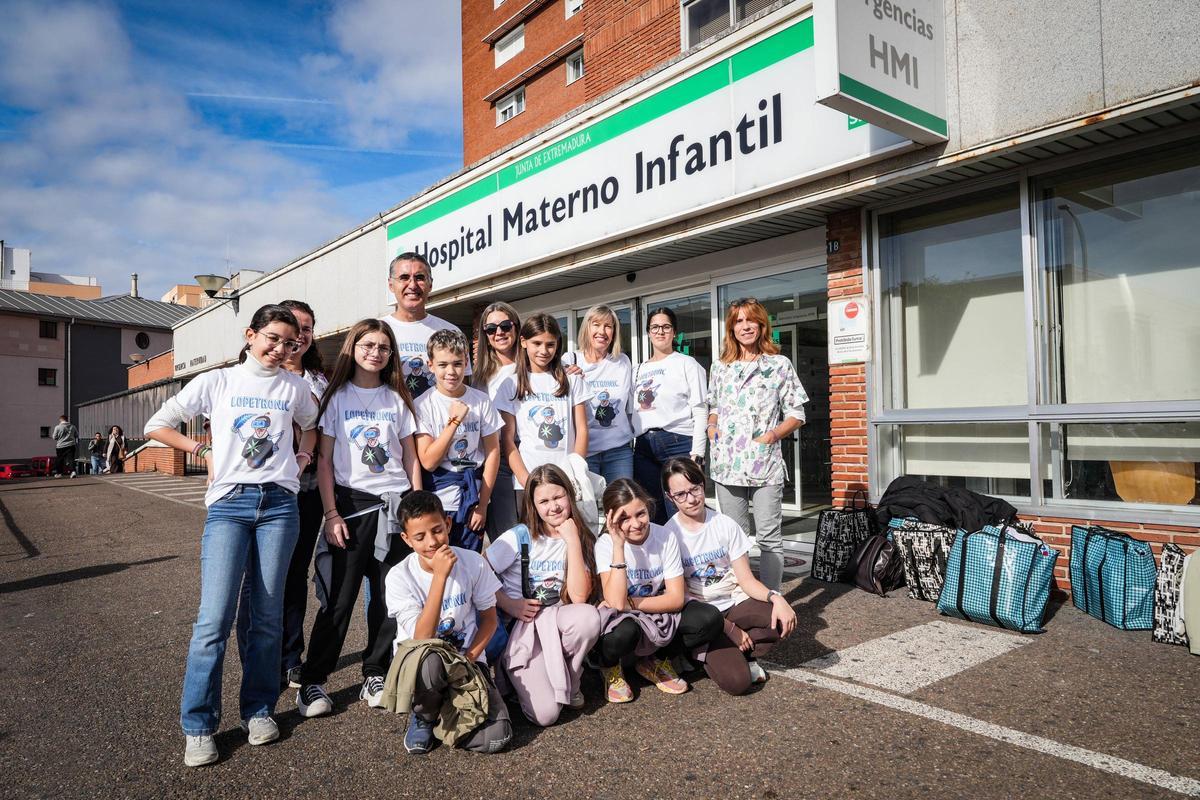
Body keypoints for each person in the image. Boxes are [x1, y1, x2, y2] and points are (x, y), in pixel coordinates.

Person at [143, 304, 318, 767]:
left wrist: (301, 459)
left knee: (266, 616)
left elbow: (313, 426)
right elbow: (156, 425)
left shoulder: (294, 386)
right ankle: (199, 725)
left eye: (290, 342)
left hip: (280, 507)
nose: (280, 348)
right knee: (214, 620)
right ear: (250, 334)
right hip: (231, 506)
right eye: (273, 338)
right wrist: (201, 447)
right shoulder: (217, 381)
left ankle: (259, 711)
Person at [296, 319, 420, 718]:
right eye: (369, 345)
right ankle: (313, 681)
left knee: (388, 597)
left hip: (395, 507)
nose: (376, 352)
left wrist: (414, 507)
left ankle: (375, 670)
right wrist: (331, 514)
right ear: (354, 348)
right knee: (338, 599)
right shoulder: (336, 399)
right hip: (351, 507)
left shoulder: (397, 400)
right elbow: (326, 462)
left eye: (384, 347)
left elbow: (411, 457)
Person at [235, 299, 327, 690]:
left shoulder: (320, 381)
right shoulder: (252, 377)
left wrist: (307, 459)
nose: (300, 336)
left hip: (305, 491)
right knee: (258, 578)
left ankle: (290, 656)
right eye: (295, 329)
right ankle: (256, 656)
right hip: (259, 489)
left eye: (307, 329)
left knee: (294, 574)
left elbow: (322, 431)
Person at [385, 491, 511, 755]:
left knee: (499, 737)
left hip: (467, 661)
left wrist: (472, 658)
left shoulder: (473, 562)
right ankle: (426, 714)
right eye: (420, 537)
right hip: (422, 664)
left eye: (437, 530)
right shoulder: (399, 576)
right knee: (430, 660)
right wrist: (440, 577)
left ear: (448, 524)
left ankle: (446, 717)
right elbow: (421, 638)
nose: (432, 542)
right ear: (407, 540)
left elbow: (489, 621)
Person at [661, 457, 796, 695]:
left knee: (777, 620)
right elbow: (681, 597)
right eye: (680, 494)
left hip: (732, 603)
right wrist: (729, 630)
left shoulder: (724, 524)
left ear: (703, 485)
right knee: (739, 683)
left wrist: (777, 598)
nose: (691, 499)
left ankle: (735, 652)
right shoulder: (669, 535)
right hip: (700, 615)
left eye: (695, 489)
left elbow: (746, 580)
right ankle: (702, 652)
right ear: (670, 498)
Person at [589, 478, 724, 703]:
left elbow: (676, 598)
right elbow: (614, 603)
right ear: (611, 519)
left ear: (648, 507)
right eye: (624, 518)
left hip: (654, 610)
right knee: (624, 633)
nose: (635, 524)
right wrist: (618, 546)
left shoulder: (665, 536)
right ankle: (609, 667)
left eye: (640, 514)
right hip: (625, 620)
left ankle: (654, 660)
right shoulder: (605, 544)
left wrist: (631, 603)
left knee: (709, 619)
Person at [486, 464, 601, 725]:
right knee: (546, 716)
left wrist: (572, 541)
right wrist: (508, 603)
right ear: (533, 505)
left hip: (558, 618)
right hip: (523, 627)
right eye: (544, 501)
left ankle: (571, 679)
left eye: (558, 497)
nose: (554, 507)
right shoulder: (520, 536)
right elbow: (480, 571)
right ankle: (515, 672)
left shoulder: (578, 536)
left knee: (588, 618)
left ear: (569, 496)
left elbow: (580, 597)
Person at [707, 298, 808, 591]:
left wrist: (772, 436)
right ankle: (742, 598)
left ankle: (772, 599)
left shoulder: (778, 365)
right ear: (731, 328)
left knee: (768, 537)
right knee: (734, 538)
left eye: (750, 320)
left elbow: (797, 413)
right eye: (738, 321)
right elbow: (714, 404)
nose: (745, 326)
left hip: (764, 463)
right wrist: (712, 426)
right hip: (727, 463)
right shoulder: (720, 366)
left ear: (762, 325)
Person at [415, 329, 503, 552]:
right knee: (438, 565)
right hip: (438, 499)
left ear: (466, 362)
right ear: (431, 365)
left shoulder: (481, 401)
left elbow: (493, 453)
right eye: (443, 365)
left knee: (469, 563)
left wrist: (482, 505)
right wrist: (453, 422)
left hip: (472, 496)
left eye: (457, 363)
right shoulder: (423, 405)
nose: (451, 372)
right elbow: (428, 461)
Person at [495, 314, 590, 499]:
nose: (544, 350)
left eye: (550, 344)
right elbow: (507, 440)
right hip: (528, 482)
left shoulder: (572, 380)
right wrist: (526, 480)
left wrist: (576, 473)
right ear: (523, 342)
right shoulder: (510, 384)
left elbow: (582, 430)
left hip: (567, 480)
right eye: (537, 343)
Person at [631, 307, 709, 523]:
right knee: (651, 511)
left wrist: (698, 454)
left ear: (674, 332)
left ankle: (687, 557)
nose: (660, 331)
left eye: (666, 327)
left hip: (678, 444)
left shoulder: (687, 364)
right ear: (648, 332)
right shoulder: (637, 370)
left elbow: (701, 410)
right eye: (655, 327)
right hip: (644, 448)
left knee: (682, 511)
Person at [381, 251, 470, 401]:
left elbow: (463, 389)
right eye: (404, 277)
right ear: (391, 285)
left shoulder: (451, 332)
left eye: (420, 278)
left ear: (430, 284)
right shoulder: (377, 332)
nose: (412, 285)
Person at [562, 305, 634, 486]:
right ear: (587, 327)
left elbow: (629, 406)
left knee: (622, 505)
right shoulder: (569, 360)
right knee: (586, 509)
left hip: (619, 451)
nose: (602, 331)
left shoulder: (622, 362)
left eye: (608, 326)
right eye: (596, 324)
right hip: (584, 452)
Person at [471, 301, 521, 538]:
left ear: (516, 327)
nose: (499, 332)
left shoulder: (534, 364)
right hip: (497, 459)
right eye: (491, 329)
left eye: (504, 325)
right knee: (507, 533)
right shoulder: (481, 376)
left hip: (531, 453)